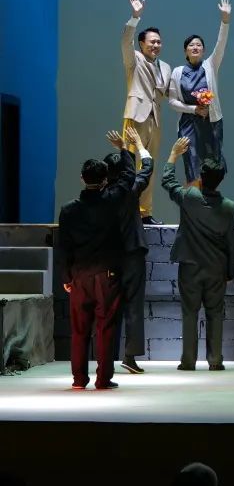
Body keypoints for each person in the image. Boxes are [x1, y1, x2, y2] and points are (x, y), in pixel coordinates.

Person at [56, 131, 137, 389]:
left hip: (79, 276)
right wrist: (124, 148)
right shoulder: (112, 201)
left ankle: (79, 379)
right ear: (105, 181)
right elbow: (129, 177)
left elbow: (63, 247)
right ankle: (103, 379)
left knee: (79, 330)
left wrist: (66, 277)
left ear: (82, 178)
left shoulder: (69, 210)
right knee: (106, 327)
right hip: (107, 275)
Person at [162, 137, 234, 371]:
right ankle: (215, 360)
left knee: (189, 313)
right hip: (216, 268)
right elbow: (232, 243)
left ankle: (188, 361)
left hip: (190, 266)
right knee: (216, 314)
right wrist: (230, 272)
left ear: (201, 178)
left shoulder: (189, 198)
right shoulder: (230, 207)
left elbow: (167, 181)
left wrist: (173, 154)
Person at [104, 128, 154, 374]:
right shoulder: (132, 189)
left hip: (109, 257)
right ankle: (130, 357)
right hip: (132, 252)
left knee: (108, 307)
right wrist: (135, 146)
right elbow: (148, 166)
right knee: (134, 304)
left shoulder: (102, 196)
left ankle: (105, 356)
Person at [168, 0, 231, 187]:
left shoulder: (210, 65)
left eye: (199, 45)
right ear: (185, 51)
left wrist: (225, 20)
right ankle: (194, 200)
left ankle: (211, 199)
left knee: (212, 165)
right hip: (188, 124)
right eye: (191, 45)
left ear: (203, 50)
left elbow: (221, 43)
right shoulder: (177, 72)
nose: (195, 47)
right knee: (192, 164)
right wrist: (194, 109)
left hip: (211, 123)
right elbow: (172, 101)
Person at [122, 0, 173, 224]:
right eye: (152, 42)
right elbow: (126, 40)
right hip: (136, 116)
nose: (156, 45)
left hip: (156, 120)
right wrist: (135, 17)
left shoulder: (166, 67)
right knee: (129, 164)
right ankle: (127, 211)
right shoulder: (134, 59)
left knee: (149, 166)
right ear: (142, 44)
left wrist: (198, 101)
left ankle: (145, 213)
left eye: (159, 42)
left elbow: (170, 93)